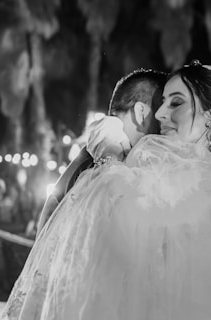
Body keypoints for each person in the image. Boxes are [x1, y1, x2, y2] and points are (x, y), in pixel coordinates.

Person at [1, 61, 211, 320]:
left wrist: (106, 159)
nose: (160, 115)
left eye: (175, 103)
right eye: (161, 104)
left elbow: (120, 242)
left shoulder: (201, 185)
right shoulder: (199, 181)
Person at [36, 68, 166, 236]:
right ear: (141, 113)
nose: (166, 117)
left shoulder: (97, 150)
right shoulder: (104, 157)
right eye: (163, 108)